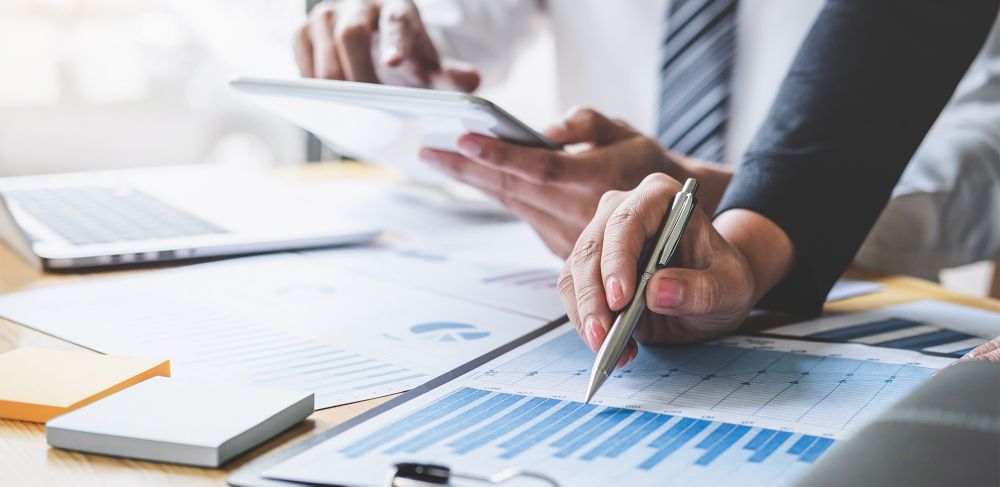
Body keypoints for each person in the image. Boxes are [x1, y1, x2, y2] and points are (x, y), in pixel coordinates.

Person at [293, 0, 1000, 362]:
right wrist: (373, 48)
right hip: (579, 280)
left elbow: (985, 154)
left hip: (843, 289)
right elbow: (440, 35)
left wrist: (737, 210)